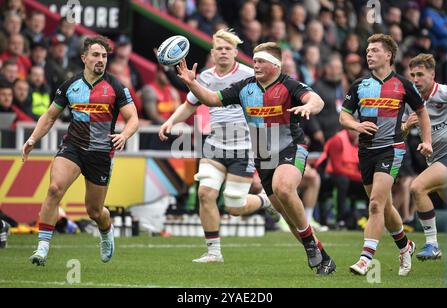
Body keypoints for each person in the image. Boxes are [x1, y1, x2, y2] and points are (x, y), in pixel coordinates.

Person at [175, 42, 337, 275]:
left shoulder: (288, 84)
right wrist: (191, 83)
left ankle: (310, 243)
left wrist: (309, 106)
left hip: (290, 147)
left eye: (260, 61)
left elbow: (317, 100)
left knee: (283, 188)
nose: (255, 64)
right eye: (254, 60)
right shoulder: (244, 87)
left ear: (275, 65)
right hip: (262, 154)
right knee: (289, 215)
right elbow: (211, 99)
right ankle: (323, 256)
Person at [159, 29, 280, 264]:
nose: (223, 52)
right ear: (212, 53)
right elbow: (189, 105)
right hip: (215, 144)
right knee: (205, 193)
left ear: (235, 52)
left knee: (234, 206)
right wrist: (170, 121)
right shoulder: (204, 77)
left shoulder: (248, 75)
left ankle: (266, 200)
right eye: (219, 49)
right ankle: (214, 252)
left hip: (244, 146)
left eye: (228, 48)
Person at [23, 36, 139, 266]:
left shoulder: (115, 86)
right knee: (55, 189)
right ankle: (42, 248)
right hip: (73, 147)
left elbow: (133, 118)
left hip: (100, 153)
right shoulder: (70, 85)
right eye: (96, 55)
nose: (101, 60)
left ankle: (106, 232)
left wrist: (124, 135)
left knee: (95, 211)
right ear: (84, 58)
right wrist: (33, 138)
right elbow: (49, 116)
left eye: (104, 56)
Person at [340, 34, 433, 276]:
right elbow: (344, 116)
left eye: (374, 50)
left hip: (392, 149)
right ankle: (405, 246)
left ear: (388, 55)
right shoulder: (359, 84)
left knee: (374, 205)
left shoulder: (403, 84)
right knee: (385, 206)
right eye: (367, 50)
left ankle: (365, 259)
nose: (368, 54)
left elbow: (422, 112)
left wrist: (427, 141)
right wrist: (356, 126)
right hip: (365, 151)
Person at [403, 53, 447, 261]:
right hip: (435, 160)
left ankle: (432, 245)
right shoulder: (411, 102)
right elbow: (400, 134)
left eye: (420, 74)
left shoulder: (446, 94)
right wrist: (407, 125)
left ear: (433, 74)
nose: (415, 79)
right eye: (413, 75)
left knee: (417, 187)